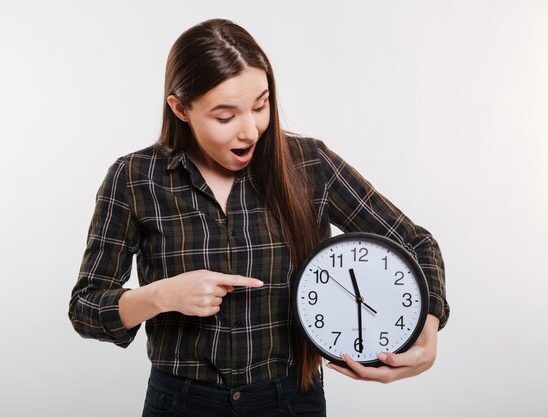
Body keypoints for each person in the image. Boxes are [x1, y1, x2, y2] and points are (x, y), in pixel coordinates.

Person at [68, 18, 449, 417]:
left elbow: (416, 243)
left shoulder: (310, 164)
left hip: (291, 400)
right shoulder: (134, 178)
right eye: (225, 116)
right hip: (180, 403)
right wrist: (162, 295)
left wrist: (426, 334)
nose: (250, 130)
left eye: (261, 105)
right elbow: (86, 306)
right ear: (181, 108)